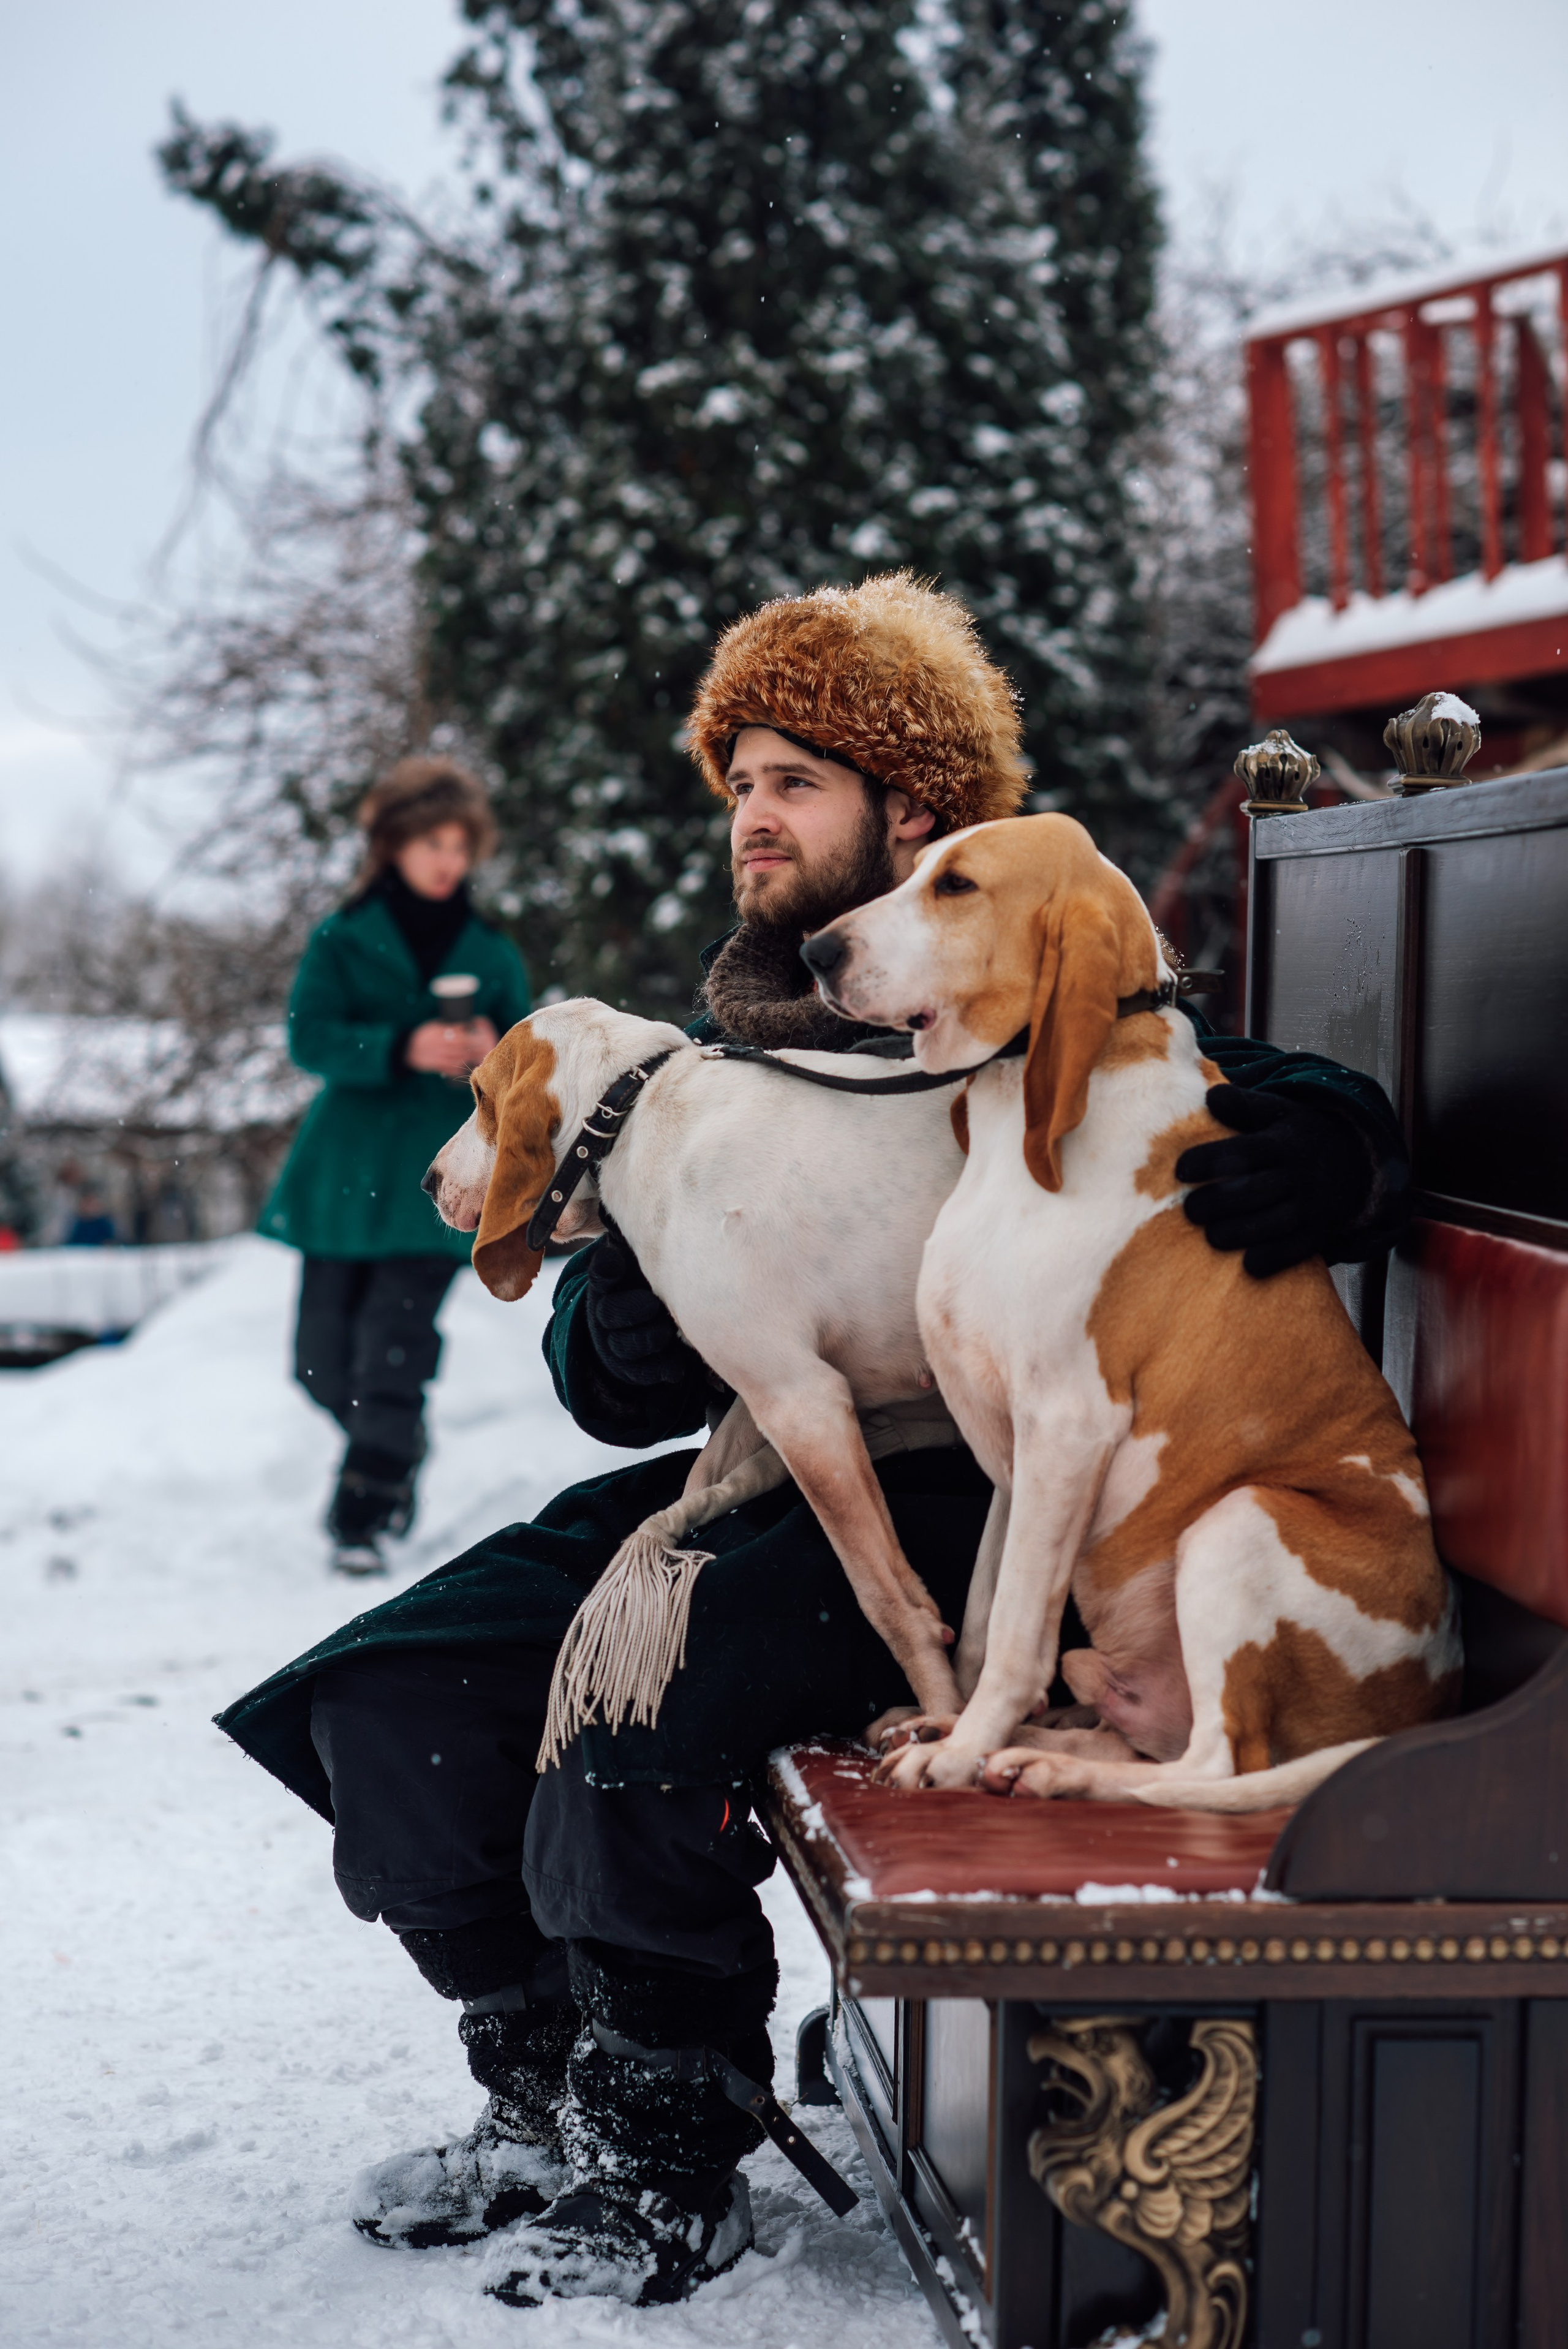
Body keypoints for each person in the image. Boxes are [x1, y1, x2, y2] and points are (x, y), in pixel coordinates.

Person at [217, 578, 1409, 2306]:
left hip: (984, 1510)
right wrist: (628, 1272)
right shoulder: (721, 1057)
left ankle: (665, 2143)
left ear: (912, 809)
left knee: (646, 1693)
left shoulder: (1023, 992)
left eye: (796, 781)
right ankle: (544, 2085)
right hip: (760, 1479)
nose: (752, 822)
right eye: (740, 787)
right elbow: (612, 1389)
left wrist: (1333, 1140)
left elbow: (1253, 1083)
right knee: (389, 1681)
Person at [260, 757, 532, 1574]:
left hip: (438, 1178)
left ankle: (364, 1514)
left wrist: (492, 1051)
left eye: (459, 843)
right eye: (430, 841)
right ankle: (397, 1439)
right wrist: (396, 1045)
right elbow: (307, 1037)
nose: (447, 858)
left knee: (392, 1349)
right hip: (342, 1175)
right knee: (319, 1362)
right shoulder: (342, 937)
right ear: (393, 846)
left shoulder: (490, 949)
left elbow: (531, 1051)